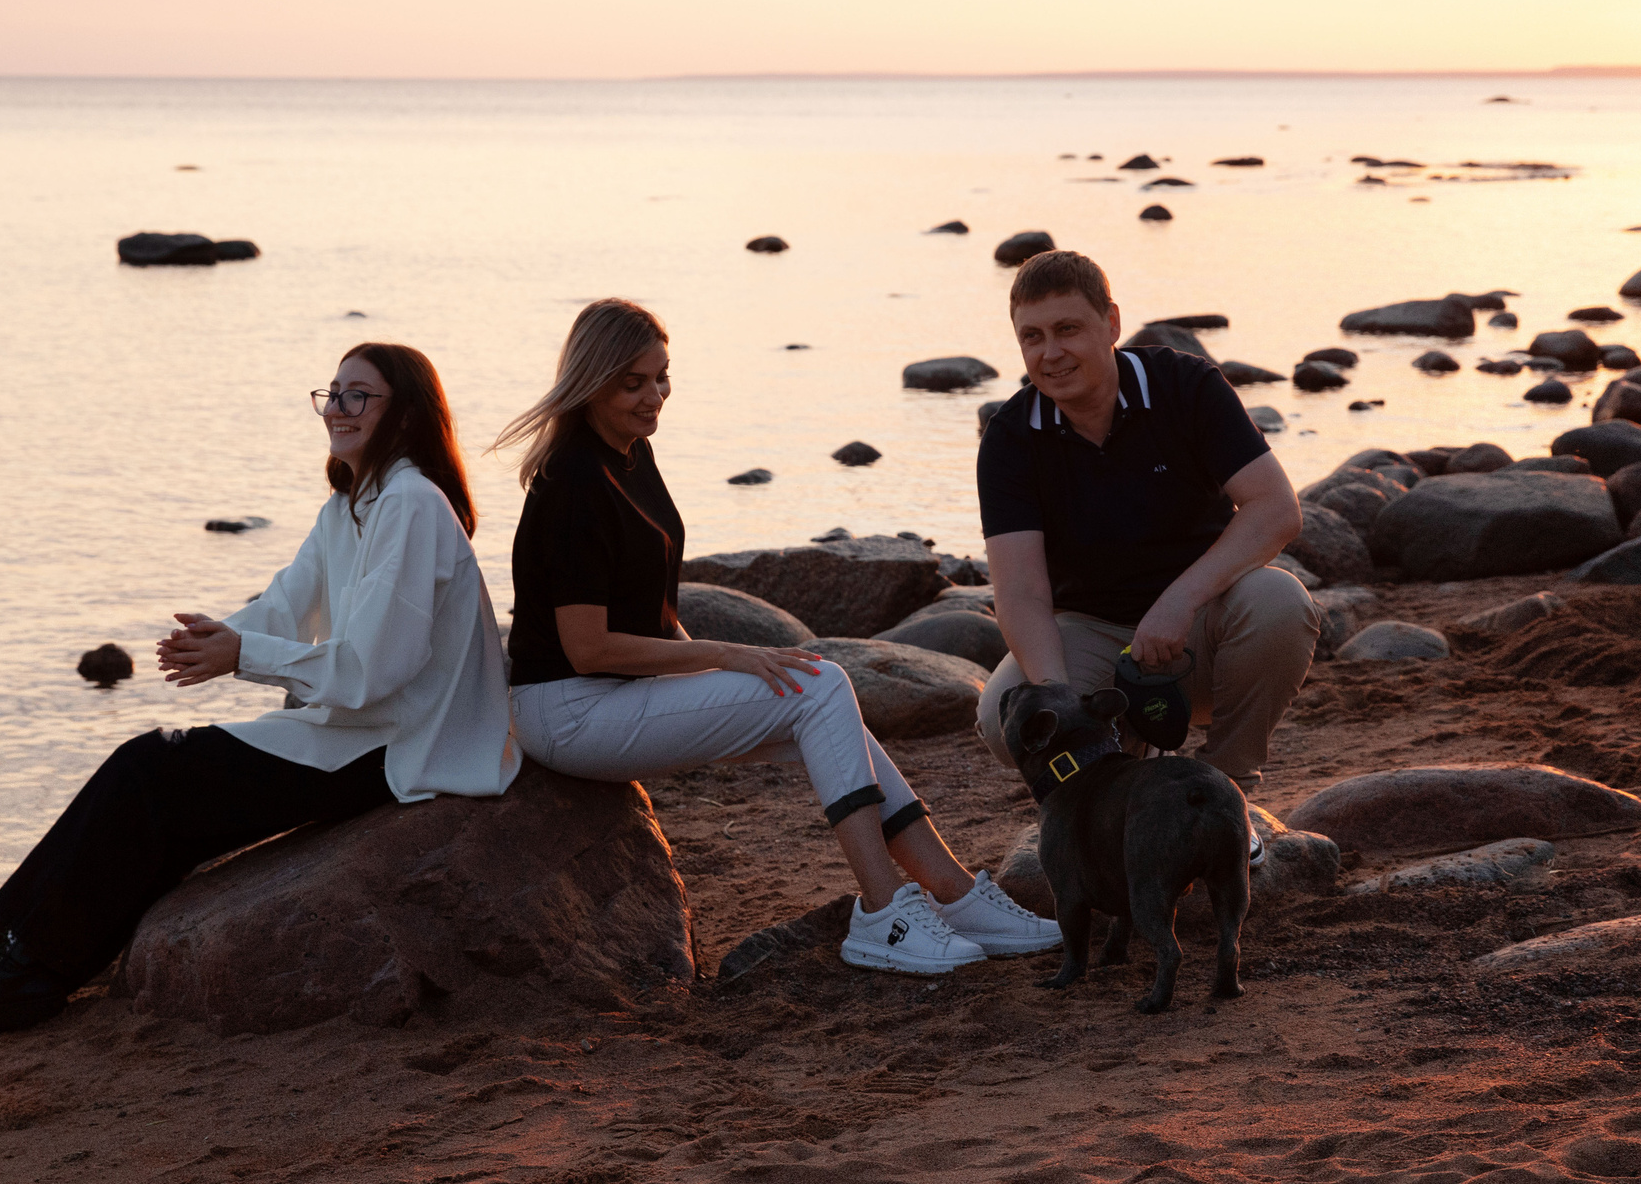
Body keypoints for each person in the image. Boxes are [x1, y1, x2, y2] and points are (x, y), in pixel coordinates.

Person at [0, 343, 520, 1034]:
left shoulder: (412, 503)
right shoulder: (354, 502)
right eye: (332, 392)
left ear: (409, 414)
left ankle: (28, 975)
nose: (338, 408)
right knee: (150, 773)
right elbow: (288, 600)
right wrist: (222, 637)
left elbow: (373, 668)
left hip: (407, 746)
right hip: (361, 726)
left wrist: (246, 655)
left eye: (359, 394)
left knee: (156, 775)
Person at [494, 299, 1061, 976]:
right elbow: (589, 648)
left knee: (820, 693)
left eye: (662, 378)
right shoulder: (572, 483)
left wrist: (742, 670)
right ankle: (883, 911)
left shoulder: (629, 453)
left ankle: (957, 895)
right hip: (569, 711)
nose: (655, 398)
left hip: (615, 695)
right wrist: (732, 654)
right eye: (634, 382)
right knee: (818, 687)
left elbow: (653, 609)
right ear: (591, 380)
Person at [974, 250, 1318, 823]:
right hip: (1089, 630)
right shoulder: (1012, 437)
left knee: (1280, 601)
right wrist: (1063, 704)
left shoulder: (1184, 385)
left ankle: (1227, 795)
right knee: (1003, 716)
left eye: (1068, 329)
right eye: (1031, 336)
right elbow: (1020, 594)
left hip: (1202, 626)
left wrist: (1178, 602)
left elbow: (1275, 509)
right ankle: (1123, 787)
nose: (1050, 353)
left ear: (1110, 323)